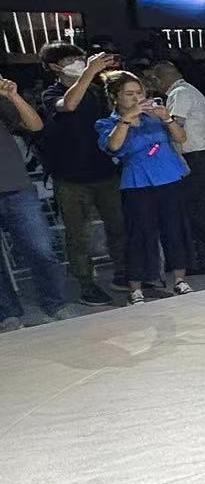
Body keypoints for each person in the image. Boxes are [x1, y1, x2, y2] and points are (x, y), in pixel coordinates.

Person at [37, 43, 129, 305]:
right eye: (71, 60)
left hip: (105, 170)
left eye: (81, 58)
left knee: (119, 226)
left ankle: (124, 273)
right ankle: (87, 284)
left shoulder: (96, 91)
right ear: (55, 66)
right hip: (70, 177)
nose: (79, 63)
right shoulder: (51, 93)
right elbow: (68, 105)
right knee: (78, 235)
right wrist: (89, 72)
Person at [94, 71, 194, 304]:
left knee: (174, 229)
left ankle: (180, 279)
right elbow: (113, 146)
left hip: (169, 176)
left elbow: (181, 138)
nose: (136, 97)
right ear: (115, 97)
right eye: (129, 94)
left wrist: (167, 118)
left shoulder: (154, 118)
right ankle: (136, 288)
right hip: (137, 182)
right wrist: (127, 118)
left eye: (139, 92)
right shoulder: (107, 123)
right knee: (139, 234)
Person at [146, 61, 205, 276]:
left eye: (155, 79)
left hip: (194, 158)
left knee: (197, 210)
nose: (155, 84)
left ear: (162, 78)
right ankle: (203, 258)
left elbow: (176, 126)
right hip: (198, 157)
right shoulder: (189, 91)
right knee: (193, 210)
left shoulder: (180, 93)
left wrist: (155, 125)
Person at [0, 75, 73, 329]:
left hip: (15, 186)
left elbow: (35, 125)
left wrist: (12, 95)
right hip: (16, 187)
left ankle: (56, 303)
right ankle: (8, 313)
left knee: (41, 249)